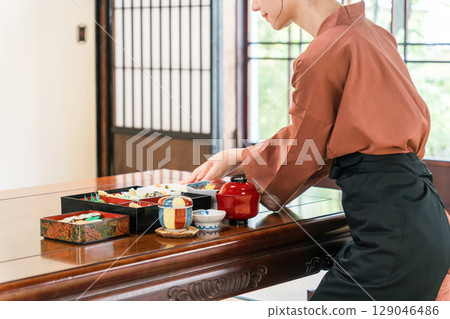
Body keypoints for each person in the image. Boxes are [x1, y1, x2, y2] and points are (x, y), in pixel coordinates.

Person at [182, 0, 450, 301]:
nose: (255, 7)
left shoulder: (325, 51)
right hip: (425, 220)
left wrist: (238, 160)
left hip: (390, 237)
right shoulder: (372, 34)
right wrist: (234, 156)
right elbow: (319, 138)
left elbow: (302, 151)